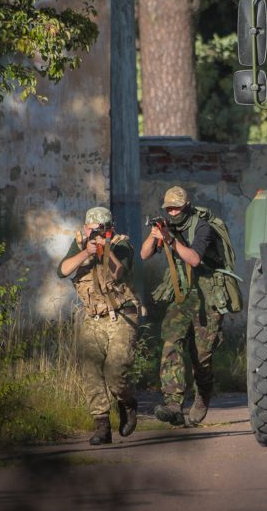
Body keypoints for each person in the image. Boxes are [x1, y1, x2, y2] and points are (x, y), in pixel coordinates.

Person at [58, 206, 143, 445]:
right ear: (85, 228)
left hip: (122, 314)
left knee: (116, 371)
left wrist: (106, 250)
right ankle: (102, 426)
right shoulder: (80, 244)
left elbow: (118, 273)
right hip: (93, 317)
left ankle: (128, 402)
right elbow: (62, 270)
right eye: (91, 229)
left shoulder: (121, 245)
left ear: (110, 229)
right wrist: (86, 251)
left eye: (101, 230)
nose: (95, 233)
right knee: (91, 372)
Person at [141, 186, 224, 426]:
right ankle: (173, 403)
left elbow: (195, 259)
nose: (173, 212)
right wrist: (156, 235)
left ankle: (202, 395)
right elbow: (145, 255)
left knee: (202, 357)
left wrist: (171, 240)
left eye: (177, 208)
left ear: (186, 206)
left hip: (207, 296)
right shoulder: (168, 225)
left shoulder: (201, 226)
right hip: (182, 297)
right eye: (169, 209)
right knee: (171, 343)